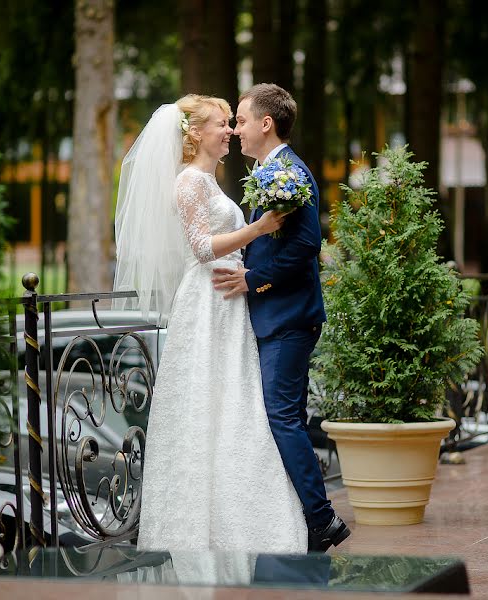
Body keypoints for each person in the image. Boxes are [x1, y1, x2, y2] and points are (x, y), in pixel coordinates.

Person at [112, 94, 307, 554]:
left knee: (235, 402)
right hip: (206, 301)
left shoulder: (211, 183)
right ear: (196, 133)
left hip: (228, 300)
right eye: (222, 124)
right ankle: (199, 525)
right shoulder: (188, 183)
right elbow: (201, 247)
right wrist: (258, 230)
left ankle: (245, 517)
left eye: (231, 123)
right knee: (207, 403)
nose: (230, 131)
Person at [212, 83, 350, 553]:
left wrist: (255, 279)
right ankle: (301, 514)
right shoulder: (272, 171)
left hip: (290, 317)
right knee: (284, 415)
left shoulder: (292, 173)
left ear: (266, 124)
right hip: (276, 318)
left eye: (243, 121)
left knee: (283, 417)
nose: (237, 130)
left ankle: (322, 519)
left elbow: (307, 246)